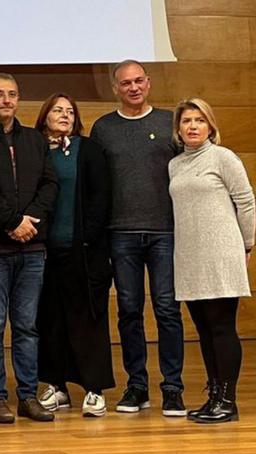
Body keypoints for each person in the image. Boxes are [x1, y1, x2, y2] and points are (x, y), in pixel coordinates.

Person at [90, 60, 186, 416]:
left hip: (165, 231)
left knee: (167, 310)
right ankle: (137, 386)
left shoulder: (169, 122)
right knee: (129, 311)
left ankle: (173, 388)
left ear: (148, 83)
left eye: (138, 81)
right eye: (125, 83)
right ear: (116, 88)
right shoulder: (104, 128)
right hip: (121, 233)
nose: (133, 87)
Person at [0, 74, 57, 424]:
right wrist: (12, 222)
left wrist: (31, 220)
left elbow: (50, 184)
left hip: (33, 248)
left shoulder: (35, 140)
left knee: (26, 326)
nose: (6, 100)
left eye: (11, 95)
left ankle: (27, 395)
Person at [168, 98, 254, 424]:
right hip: (190, 256)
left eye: (199, 120)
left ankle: (228, 401)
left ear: (210, 126)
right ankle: (214, 396)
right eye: (187, 121)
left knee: (221, 327)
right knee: (203, 330)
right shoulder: (175, 165)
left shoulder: (223, 157)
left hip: (221, 252)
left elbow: (246, 201)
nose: (192, 126)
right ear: (178, 129)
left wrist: (247, 243)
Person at [34, 93, 115, 417]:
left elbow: (101, 198)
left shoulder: (89, 150)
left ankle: (94, 389)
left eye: (70, 110)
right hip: (43, 253)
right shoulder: (36, 150)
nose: (65, 115)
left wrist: (89, 239)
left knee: (88, 321)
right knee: (50, 321)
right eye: (58, 110)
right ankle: (56, 386)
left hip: (84, 252)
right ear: (45, 116)